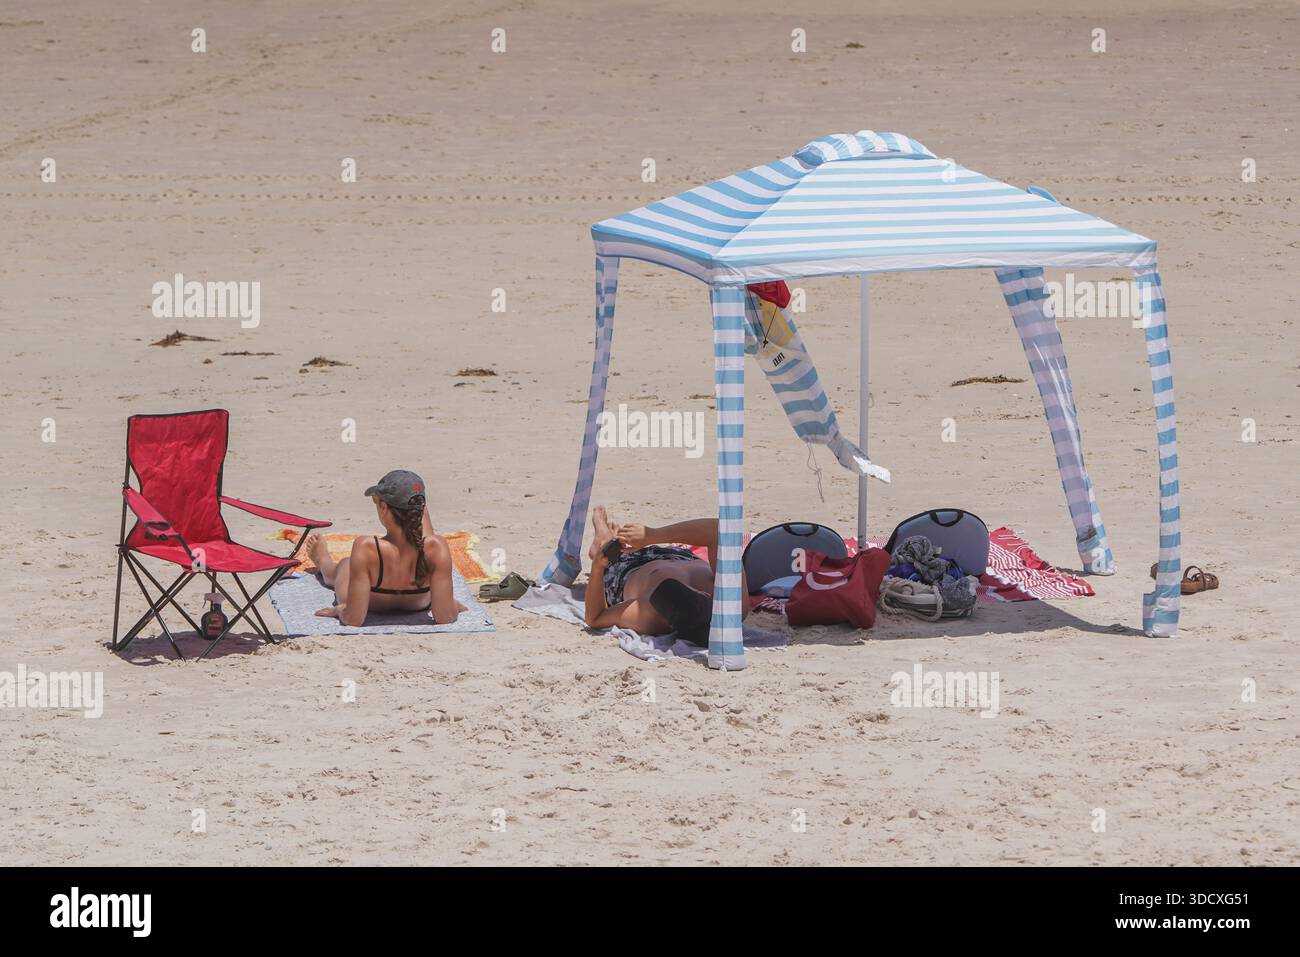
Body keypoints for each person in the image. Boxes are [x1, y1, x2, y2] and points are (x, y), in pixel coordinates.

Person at [308, 469, 464, 626]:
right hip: (418, 602)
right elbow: (445, 618)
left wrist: (339, 610)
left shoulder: (366, 546)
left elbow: (354, 619)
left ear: (383, 508)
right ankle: (413, 506)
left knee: (345, 565)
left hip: (372, 603)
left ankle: (322, 560)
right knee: (427, 544)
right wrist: (452, 606)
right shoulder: (438, 546)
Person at [583, 506, 749, 642]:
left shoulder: (648, 616)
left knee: (606, 551)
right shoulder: (733, 604)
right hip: (680, 556)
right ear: (705, 594)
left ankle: (601, 539)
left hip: (628, 569)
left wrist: (597, 567)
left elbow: (596, 617)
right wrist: (652, 535)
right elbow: (720, 530)